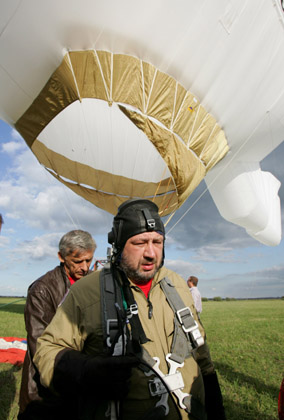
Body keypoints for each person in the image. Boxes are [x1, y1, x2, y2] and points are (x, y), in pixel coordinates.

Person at [34, 200, 226, 420]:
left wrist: (216, 407)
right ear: (118, 246)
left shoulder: (177, 285)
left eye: (157, 241)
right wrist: (85, 371)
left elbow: (201, 353)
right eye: (140, 242)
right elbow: (47, 351)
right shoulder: (86, 292)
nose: (151, 253)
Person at [18, 230, 97, 419]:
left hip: (83, 383)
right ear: (61, 257)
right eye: (78, 262)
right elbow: (41, 346)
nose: (85, 267)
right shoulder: (42, 290)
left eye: (89, 260)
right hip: (46, 390)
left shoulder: (95, 284)